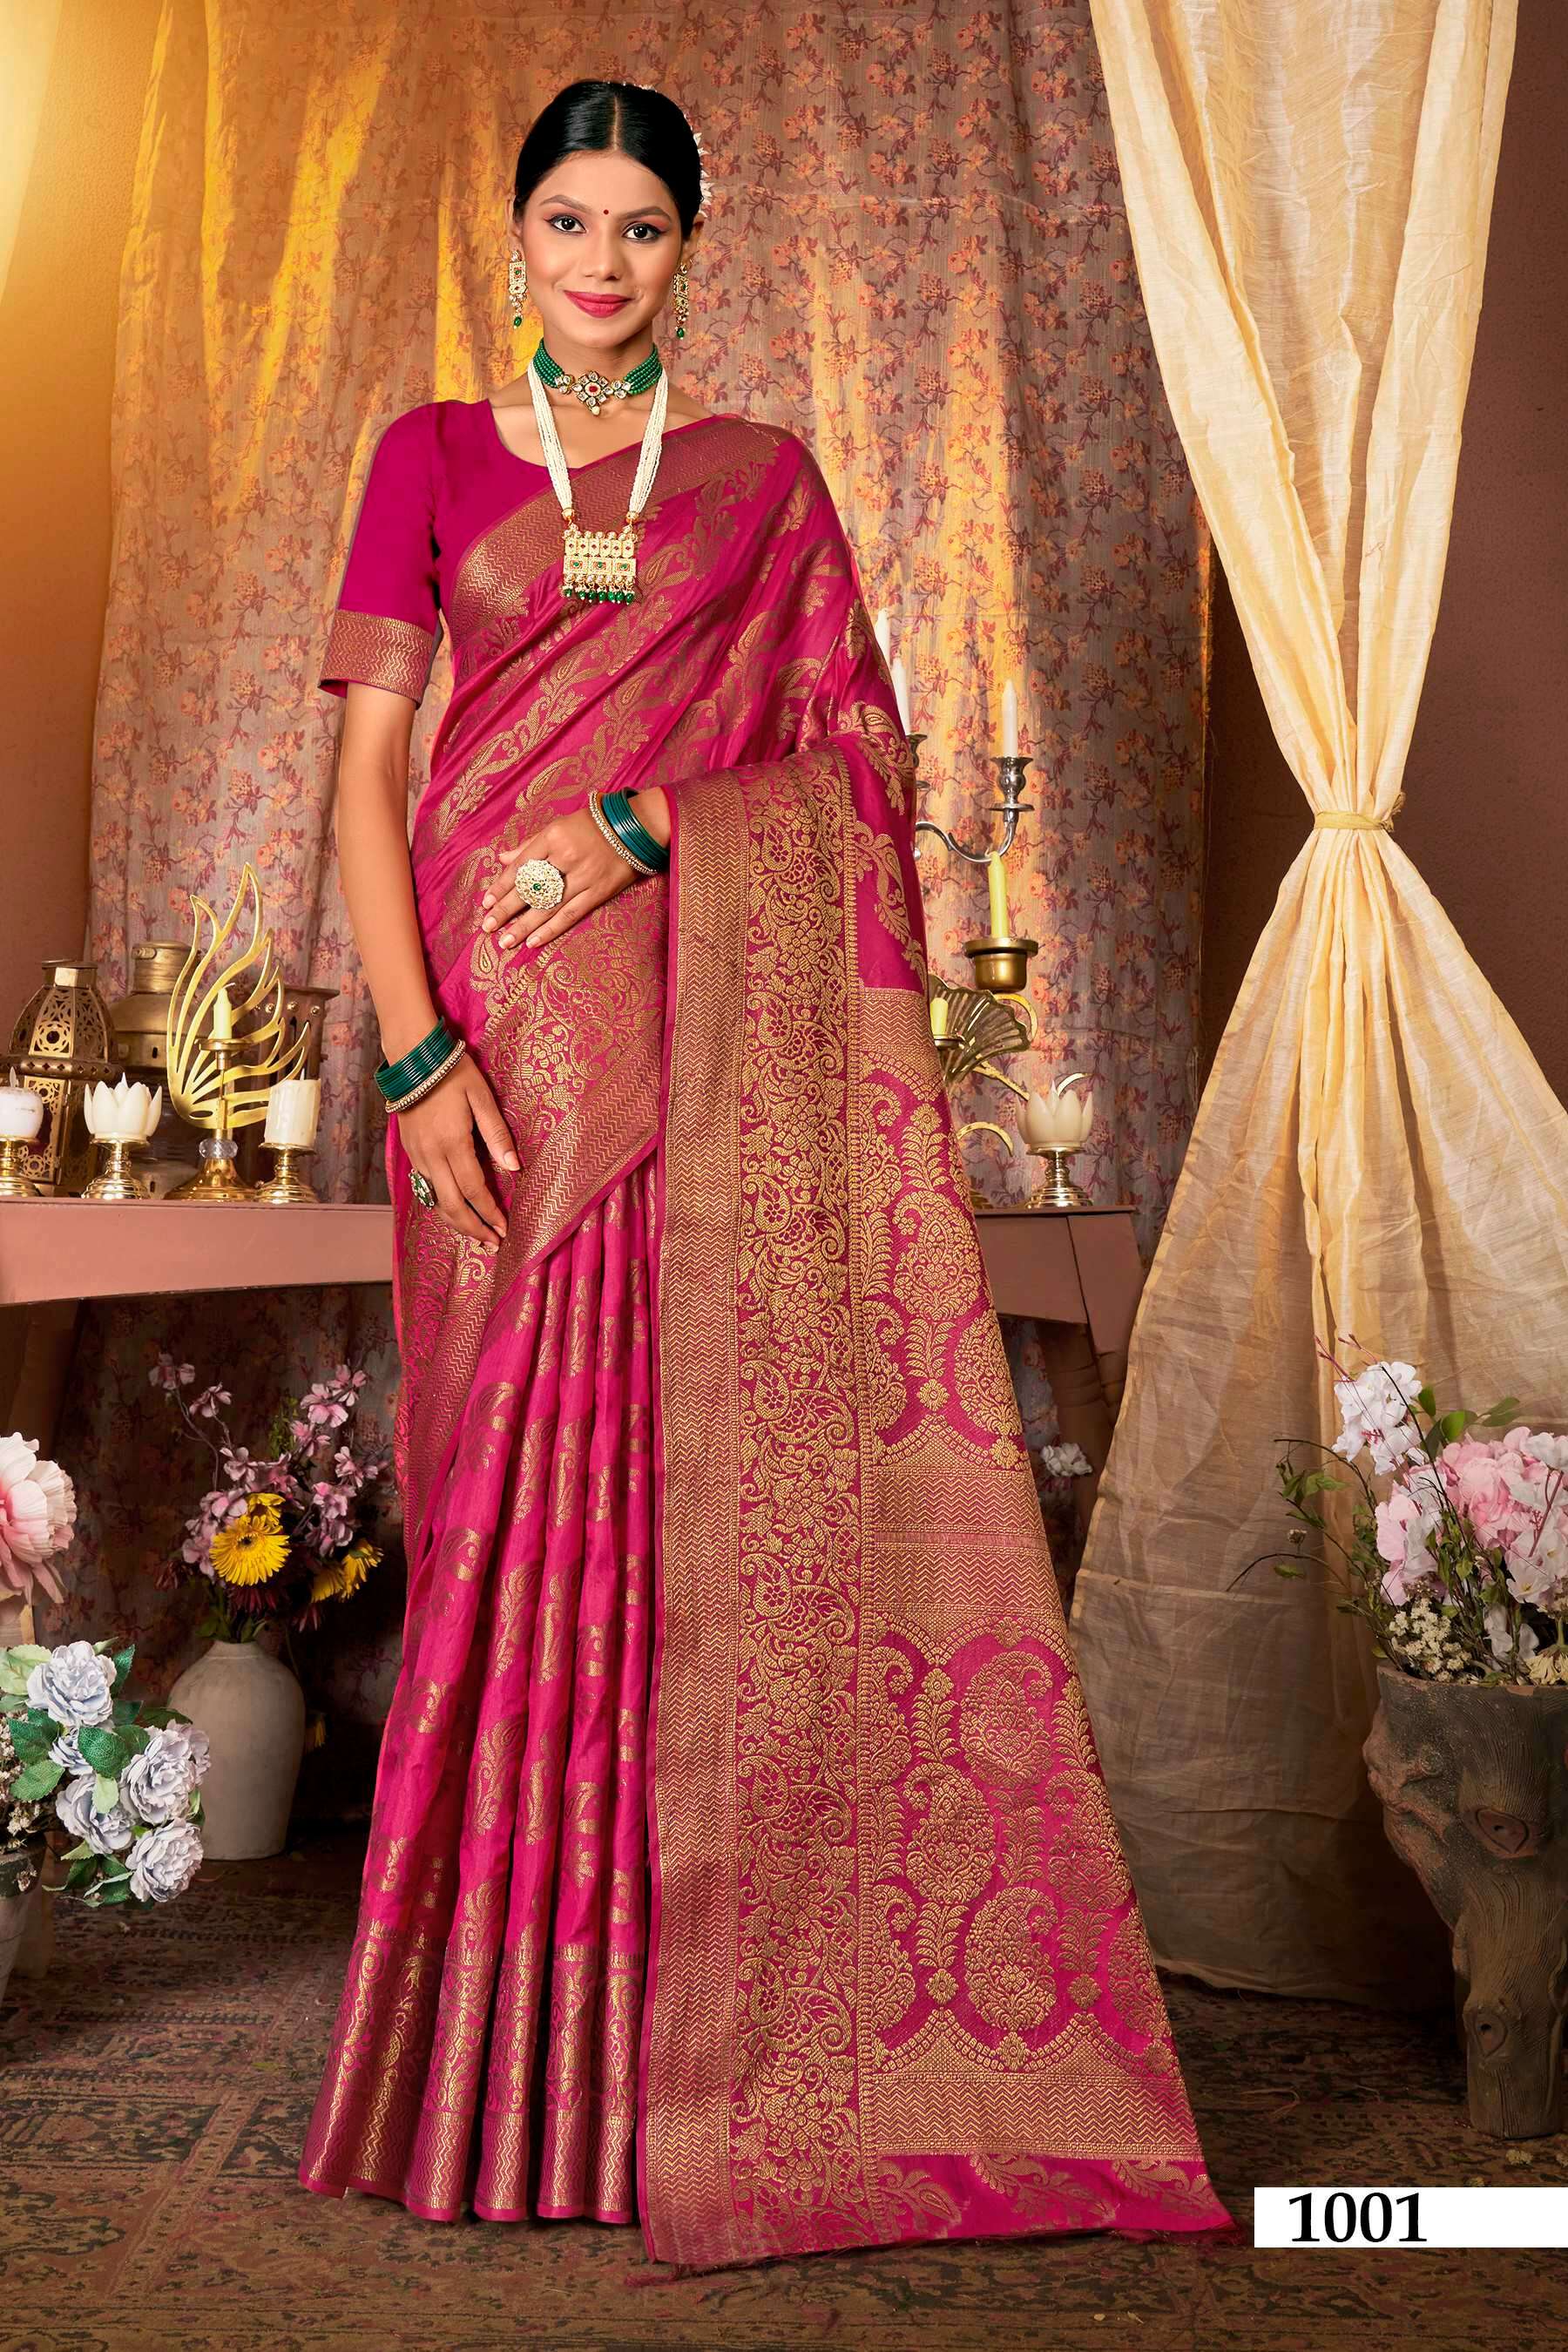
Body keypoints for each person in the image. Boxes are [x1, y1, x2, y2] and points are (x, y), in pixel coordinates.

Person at [297, 77, 1229, 2269]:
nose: (601, 263)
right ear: (515, 234)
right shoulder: (428, 458)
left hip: (700, 1041)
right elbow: (363, 779)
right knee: (509, 1500)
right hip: (490, 1050)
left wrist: (642, 825)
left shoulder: (761, 482)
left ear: (688, 250)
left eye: (640, 228)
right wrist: (414, 1055)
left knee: (685, 1495)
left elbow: (861, 767)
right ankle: (498, 2074)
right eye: (569, 221)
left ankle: (693, 2052)